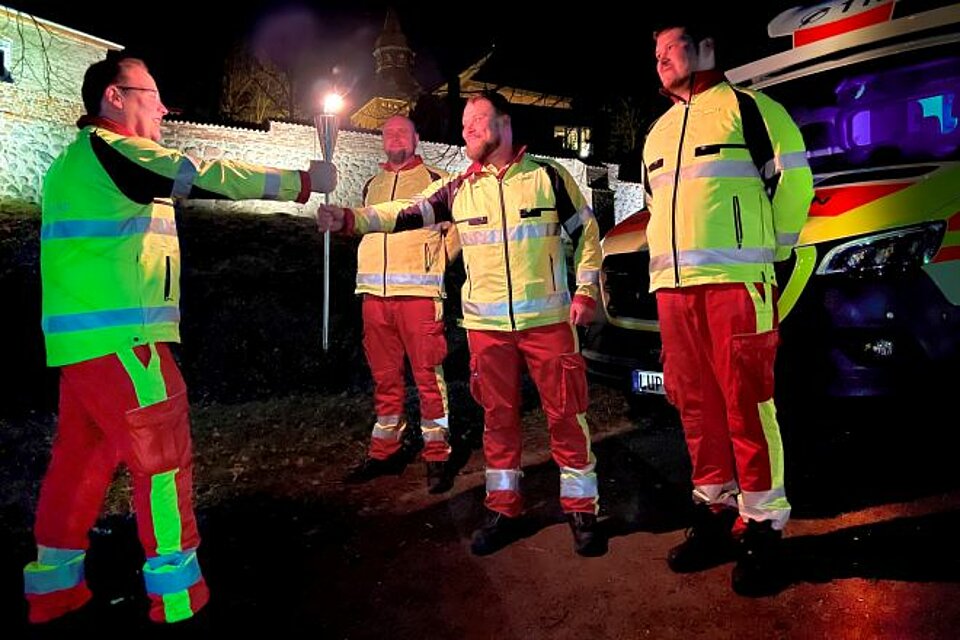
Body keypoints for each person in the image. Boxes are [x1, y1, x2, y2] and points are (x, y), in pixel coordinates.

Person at [23, 55, 336, 626]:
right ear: (115, 98)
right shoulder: (117, 150)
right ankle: (175, 598)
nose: (165, 107)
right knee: (162, 462)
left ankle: (54, 589)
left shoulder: (71, 163)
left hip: (82, 346)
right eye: (153, 94)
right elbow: (203, 173)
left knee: (81, 460)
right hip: (129, 340)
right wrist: (303, 182)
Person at [318, 90, 604, 557]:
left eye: (477, 118)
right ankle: (504, 507)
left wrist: (587, 289)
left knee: (567, 417)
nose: (467, 128)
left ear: (505, 123)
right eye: (464, 121)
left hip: (548, 322)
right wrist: (351, 218)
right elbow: (404, 211)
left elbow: (588, 233)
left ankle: (582, 509)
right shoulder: (458, 187)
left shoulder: (549, 177)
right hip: (486, 328)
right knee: (497, 420)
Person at [643, 21, 813, 596]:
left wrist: (775, 249)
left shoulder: (753, 109)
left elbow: (796, 181)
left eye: (671, 48)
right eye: (656, 52)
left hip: (738, 285)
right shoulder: (657, 133)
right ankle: (714, 510)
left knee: (747, 403)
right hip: (674, 292)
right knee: (696, 407)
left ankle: (764, 524)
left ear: (706, 47)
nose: (661, 59)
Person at [346, 115, 458, 494]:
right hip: (374, 297)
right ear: (382, 141)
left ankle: (438, 454)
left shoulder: (436, 179)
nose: (395, 137)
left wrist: (441, 258)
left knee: (429, 378)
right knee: (385, 379)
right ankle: (385, 451)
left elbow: (457, 229)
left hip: (420, 295)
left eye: (402, 132)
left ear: (416, 138)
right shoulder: (371, 184)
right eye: (388, 132)